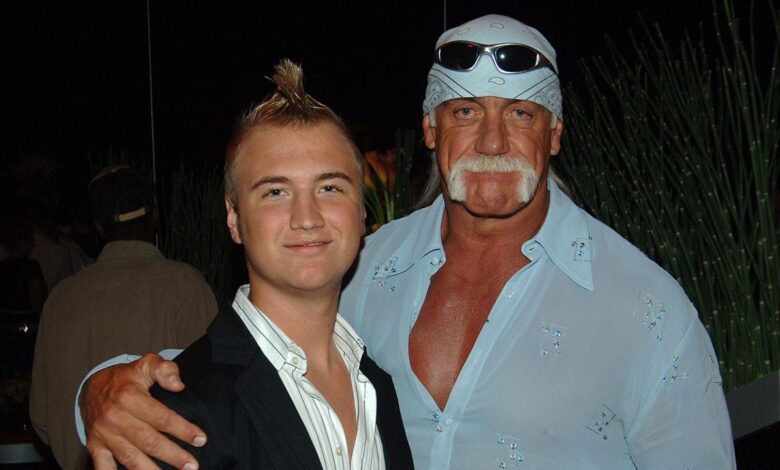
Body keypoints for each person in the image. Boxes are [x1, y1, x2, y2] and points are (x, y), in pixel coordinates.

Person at [77, 14, 735, 469]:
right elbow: (267, 358)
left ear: (555, 134)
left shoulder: (646, 309)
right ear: (430, 129)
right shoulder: (365, 263)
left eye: (520, 114)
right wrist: (105, 387)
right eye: (466, 111)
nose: (493, 141)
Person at [100, 59, 412, 469]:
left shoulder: (378, 386)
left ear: (361, 213)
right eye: (276, 192)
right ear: (233, 218)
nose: (307, 217)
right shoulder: (174, 412)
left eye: (330, 187)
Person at [29, 165, 218, 469]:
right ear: (155, 215)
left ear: (98, 226)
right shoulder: (183, 285)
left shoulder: (61, 297)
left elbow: (41, 417)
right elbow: (215, 403)